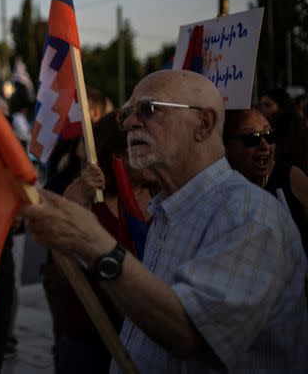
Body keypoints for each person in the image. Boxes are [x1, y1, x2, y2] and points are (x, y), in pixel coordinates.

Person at [25, 70, 308, 372]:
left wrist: (98, 244)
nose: (131, 123)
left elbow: (187, 332)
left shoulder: (250, 215)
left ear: (204, 124)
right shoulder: (168, 212)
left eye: (148, 109)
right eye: (127, 114)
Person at [43, 113, 158, 373]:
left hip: (149, 336)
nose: (154, 154)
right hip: (91, 335)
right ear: (116, 155)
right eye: (142, 147)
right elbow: (61, 263)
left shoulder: (162, 195)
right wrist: (75, 203)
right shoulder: (84, 195)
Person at [223, 107, 308, 255]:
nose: (264, 145)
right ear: (226, 146)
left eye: (269, 135)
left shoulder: (291, 177)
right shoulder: (218, 191)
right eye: (252, 138)